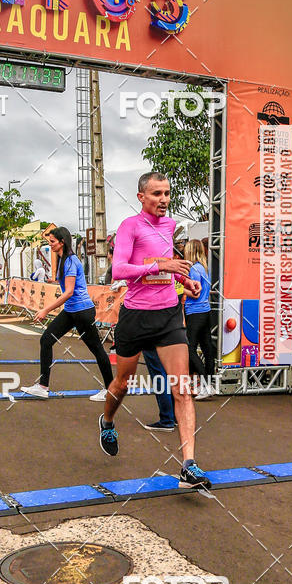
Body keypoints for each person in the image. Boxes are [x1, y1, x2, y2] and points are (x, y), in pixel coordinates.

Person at [98, 171, 211, 490]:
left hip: (168, 316)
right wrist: (162, 266)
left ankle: (189, 464)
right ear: (141, 197)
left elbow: (163, 263)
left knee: (182, 387)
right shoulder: (129, 227)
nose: (164, 199)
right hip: (136, 316)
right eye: (157, 194)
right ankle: (107, 421)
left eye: (167, 193)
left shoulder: (169, 226)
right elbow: (120, 269)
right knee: (122, 383)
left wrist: (182, 279)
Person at [21, 227, 113, 399]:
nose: (51, 245)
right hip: (71, 311)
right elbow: (67, 285)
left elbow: (69, 291)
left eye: (53, 242)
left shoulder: (70, 260)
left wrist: (45, 310)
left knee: (96, 348)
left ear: (62, 242)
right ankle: (42, 386)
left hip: (82, 312)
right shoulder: (63, 259)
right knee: (46, 339)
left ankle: (110, 390)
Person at [183, 239, 214, 397]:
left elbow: (194, 294)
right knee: (207, 348)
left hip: (195, 312)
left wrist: (181, 290)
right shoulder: (203, 268)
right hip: (205, 311)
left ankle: (204, 385)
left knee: (189, 349)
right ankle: (206, 384)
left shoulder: (194, 269)